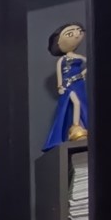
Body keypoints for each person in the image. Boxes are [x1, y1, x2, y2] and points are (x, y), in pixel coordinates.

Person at [43, 22, 88, 150]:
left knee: (81, 103)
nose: (76, 35)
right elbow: (60, 74)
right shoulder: (62, 60)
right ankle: (75, 127)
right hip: (68, 85)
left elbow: (89, 64)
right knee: (75, 103)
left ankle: (80, 126)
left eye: (78, 31)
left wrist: (83, 74)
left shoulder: (79, 57)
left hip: (79, 84)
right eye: (70, 34)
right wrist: (60, 86)